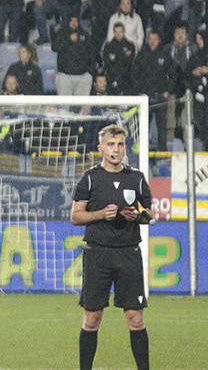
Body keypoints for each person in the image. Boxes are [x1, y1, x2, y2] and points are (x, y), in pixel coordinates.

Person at [71, 124, 152, 370]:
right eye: (110, 145)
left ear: (125, 147)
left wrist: (136, 216)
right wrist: (100, 215)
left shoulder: (136, 178)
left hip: (129, 253)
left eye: (120, 145)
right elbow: (75, 216)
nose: (116, 150)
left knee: (135, 318)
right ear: (101, 148)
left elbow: (148, 215)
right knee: (92, 318)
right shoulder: (90, 178)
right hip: (98, 254)